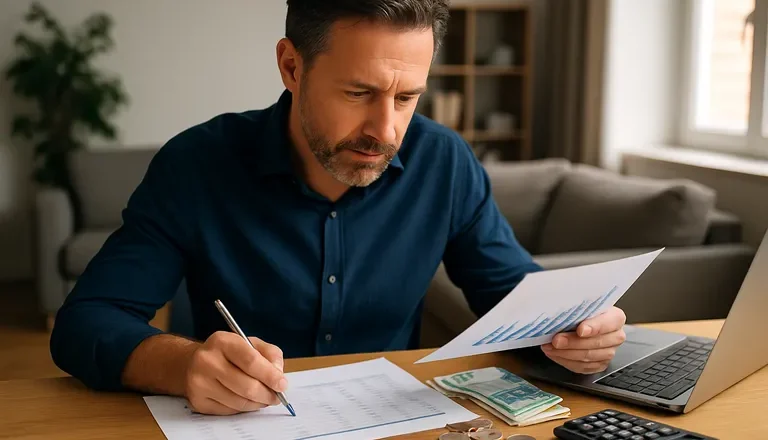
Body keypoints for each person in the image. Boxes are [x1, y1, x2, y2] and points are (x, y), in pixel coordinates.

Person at [50, 0, 627, 416]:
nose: (386, 130)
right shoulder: (196, 164)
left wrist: (575, 326)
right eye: (359, 94)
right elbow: (85, 324)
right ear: (291, 66)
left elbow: (512, 295)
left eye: (406, 98)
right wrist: (183, 365)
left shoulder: (443, 162)